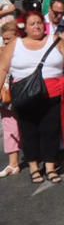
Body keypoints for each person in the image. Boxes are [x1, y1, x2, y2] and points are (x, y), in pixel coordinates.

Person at [0, 10, 64, 184]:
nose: (37, 26)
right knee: (29, 132)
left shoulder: (55, 40)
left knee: (50, 131)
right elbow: (3, 68)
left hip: (53, 93)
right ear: (25, 28)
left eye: (39, 22)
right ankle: (34, 167)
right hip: (24, 95)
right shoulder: (15, 44)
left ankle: (50, 167)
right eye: (32, 24)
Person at [0, 21, 20, 178]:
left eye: (9, 38)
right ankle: (13, 164)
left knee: (29, 127)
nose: (6, 41)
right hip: (6, 96)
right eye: (4, 39)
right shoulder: (2, 52)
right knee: (9, 129)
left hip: (23, 94)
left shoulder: (25, 50)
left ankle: (38, 157)